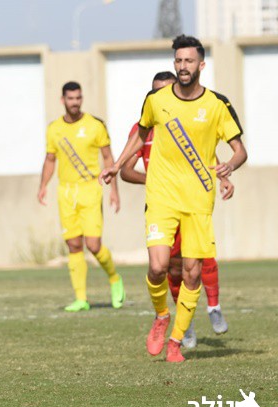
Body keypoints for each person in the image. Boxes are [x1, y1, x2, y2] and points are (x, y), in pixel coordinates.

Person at [101, 35, 247, 362]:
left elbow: (239, 150)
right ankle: (161, 315)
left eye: (189, 61)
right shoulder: (156, 101)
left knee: (192, 273)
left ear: (201, 65)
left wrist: (229, 167)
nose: (183, 66)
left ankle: (176, 342)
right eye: (178, 60)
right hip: (162, 196)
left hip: (198, 201)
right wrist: (117, 165)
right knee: (158, 267)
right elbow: (140, 134)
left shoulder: (217, 105)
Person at [120, 71, 235, 349]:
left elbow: (205, 153)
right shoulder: (142, 128)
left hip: (192, 199)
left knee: (199, 261)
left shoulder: (189, 118)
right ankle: (184, 324)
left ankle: (214, 306)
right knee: (168, 266)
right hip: (162, 203)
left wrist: (223, 176)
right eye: (156, 91)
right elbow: (126, 170)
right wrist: (155, 181)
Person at [38, 81, 124, 312]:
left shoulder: (95, 125)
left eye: (78, 98)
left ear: (81, 99)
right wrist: (43, 185)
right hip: (66, 192)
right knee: (74, 244)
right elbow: (50, 159)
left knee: (93, 245)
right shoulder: (54, 128)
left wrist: (114, 191)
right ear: (63, 100)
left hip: (90, 189)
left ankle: (114, 278)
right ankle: (81, 298)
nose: (75, 102)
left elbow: (108, 159)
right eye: (70, 98)